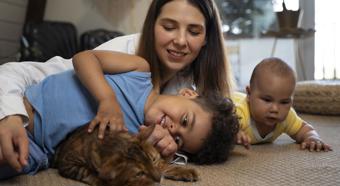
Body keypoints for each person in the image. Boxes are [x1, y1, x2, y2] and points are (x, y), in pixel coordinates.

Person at [0, 0, 234, 172]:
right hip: (24, 101)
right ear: (152, 26)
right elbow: (82, 60)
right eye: (169, 26)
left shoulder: (176, 100)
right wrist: (11, 114)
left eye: (193, 31)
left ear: (206, 40)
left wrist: (159, 151)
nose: (181, 40)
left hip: (43, 151)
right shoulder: (136, 67)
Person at [0, 52, 239, 179]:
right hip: (22, 106)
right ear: (188, 93)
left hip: (38, 151)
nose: (173, 128)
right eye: (185, 120)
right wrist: (107, 99)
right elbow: (84, 58)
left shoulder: (136, 139)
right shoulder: (140, 72)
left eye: (178, 140)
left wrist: (147, 145)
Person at [233, 57, 332, 152]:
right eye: (267, 100)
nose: (275, 109)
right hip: (229, 99)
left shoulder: (287, 117)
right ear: (249, 94)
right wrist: (233, 133)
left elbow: (304, 129)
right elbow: (220, 126)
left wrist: (312, 137)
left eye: (284, 102)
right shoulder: (239, 113)